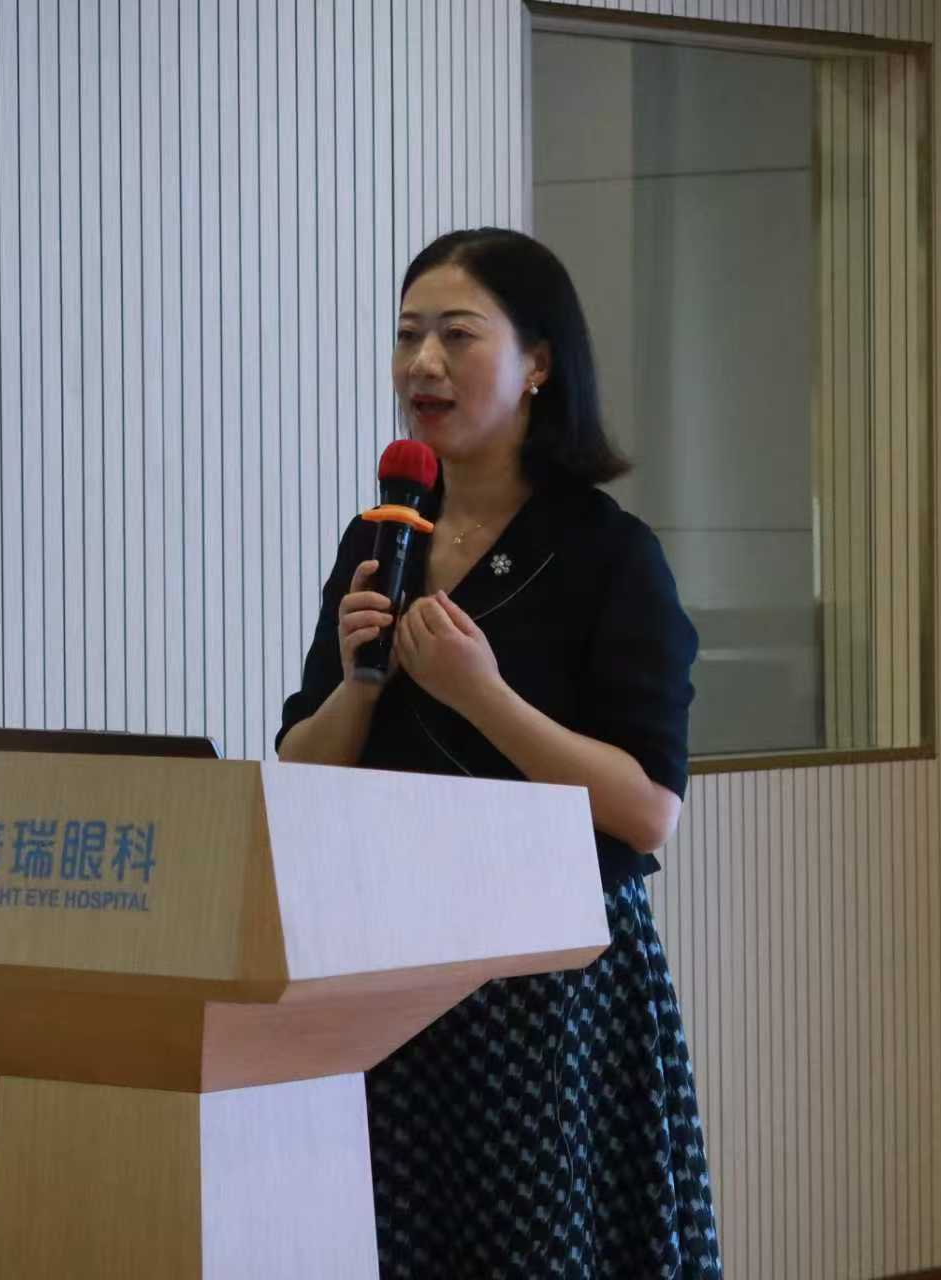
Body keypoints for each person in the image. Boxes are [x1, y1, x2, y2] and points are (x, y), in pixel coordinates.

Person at [276, 228, 721, 1277]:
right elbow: (299, 766)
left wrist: (482, 694)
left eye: (456, 335)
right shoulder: (379, 536)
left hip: (546, 986)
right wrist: (360, 683)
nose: (421, 364)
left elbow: (647, 808)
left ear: (538, 364)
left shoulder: (608, 552)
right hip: (387, 959)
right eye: (406, 336)